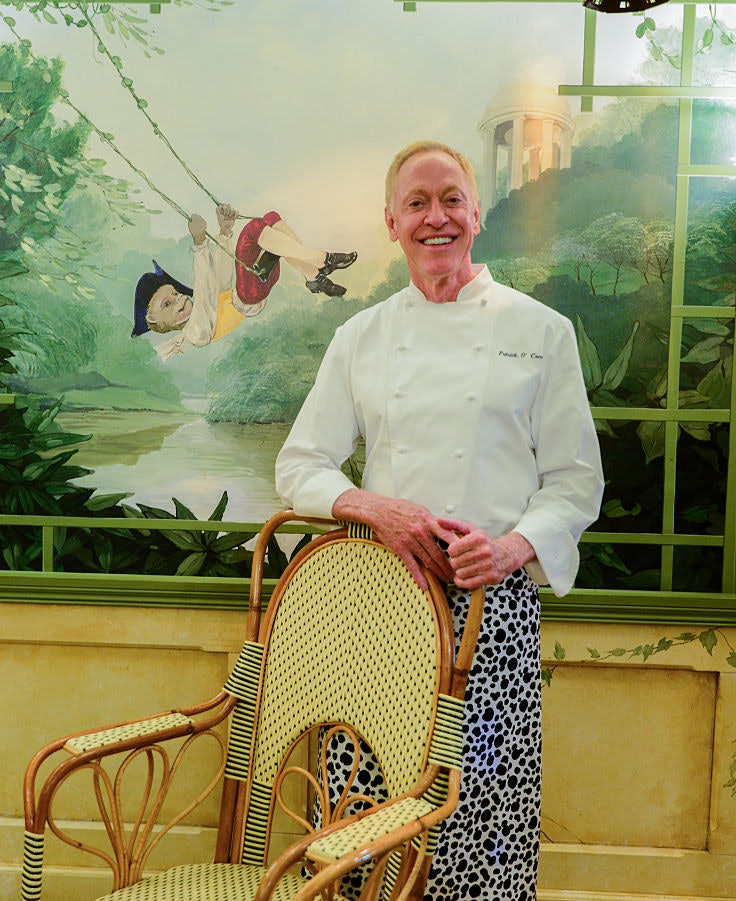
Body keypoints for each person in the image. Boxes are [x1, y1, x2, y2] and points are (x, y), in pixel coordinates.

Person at [275, 140, 604, 899]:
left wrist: (513, 547)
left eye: (452, 199)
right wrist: (371, 506)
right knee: (366, 800)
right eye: (417, 203)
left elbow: (575, 482)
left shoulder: (542, 331)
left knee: (482, 805)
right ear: (391, 223)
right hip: (381, 612)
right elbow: (301, 465)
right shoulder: (360, 336)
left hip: (491, 616)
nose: (436, 217)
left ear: (476, 214)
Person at [131, 203, 356, 361]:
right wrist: (199, 244)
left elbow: (220, 280)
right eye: (167, 304)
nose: (178, 298)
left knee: (270, 219)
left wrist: (224, 232)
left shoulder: (204, 310)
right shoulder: (196, 333)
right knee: (254, 230)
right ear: (153, 319)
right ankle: (322, 259)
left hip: (254, 286)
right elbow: (205, 292)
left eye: (174, 294)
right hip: (249, 295)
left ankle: (313, 276)